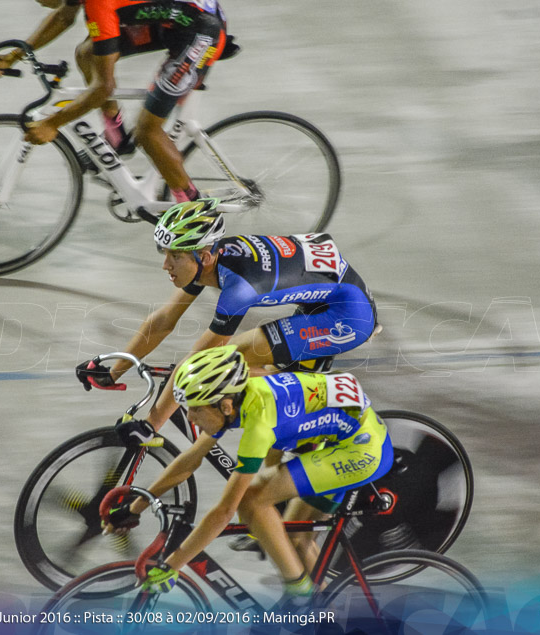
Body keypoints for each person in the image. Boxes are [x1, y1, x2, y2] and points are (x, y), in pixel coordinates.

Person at [75, 199, 379, 446]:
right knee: (244, 383)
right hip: (324, 299)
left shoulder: (239, 288)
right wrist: (115, 371)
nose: (165, 264)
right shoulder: (210, 260)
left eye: (174, 256)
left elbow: (199, 362)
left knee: (218, 366)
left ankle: (333, 398)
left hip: (347, 316)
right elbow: (164, 321)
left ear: (204, 256)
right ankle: (303, 406)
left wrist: (151, 425)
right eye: (165, 253)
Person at [102, 345, 393, 603]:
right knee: (295, 541)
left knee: (252, 501)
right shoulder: (236, 396)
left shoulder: (260, 423)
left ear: (225, 405)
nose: (189, 417)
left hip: (361, 451)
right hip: (340, 432)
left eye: (195, 410)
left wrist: (173, 564)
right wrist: (134, 507)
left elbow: (224, 511)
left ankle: (300, 593)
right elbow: (190, 460)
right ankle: (332, 611)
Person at [0, 0, 233, 205]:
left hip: (200, 30)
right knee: (87, 53)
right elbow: (64, 16)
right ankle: (117, 137)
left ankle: (193, 212)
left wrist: (52, 123)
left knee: (147, 131)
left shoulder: (100, 1)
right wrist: (13, 56)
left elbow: (104, 88)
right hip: (177, 8)